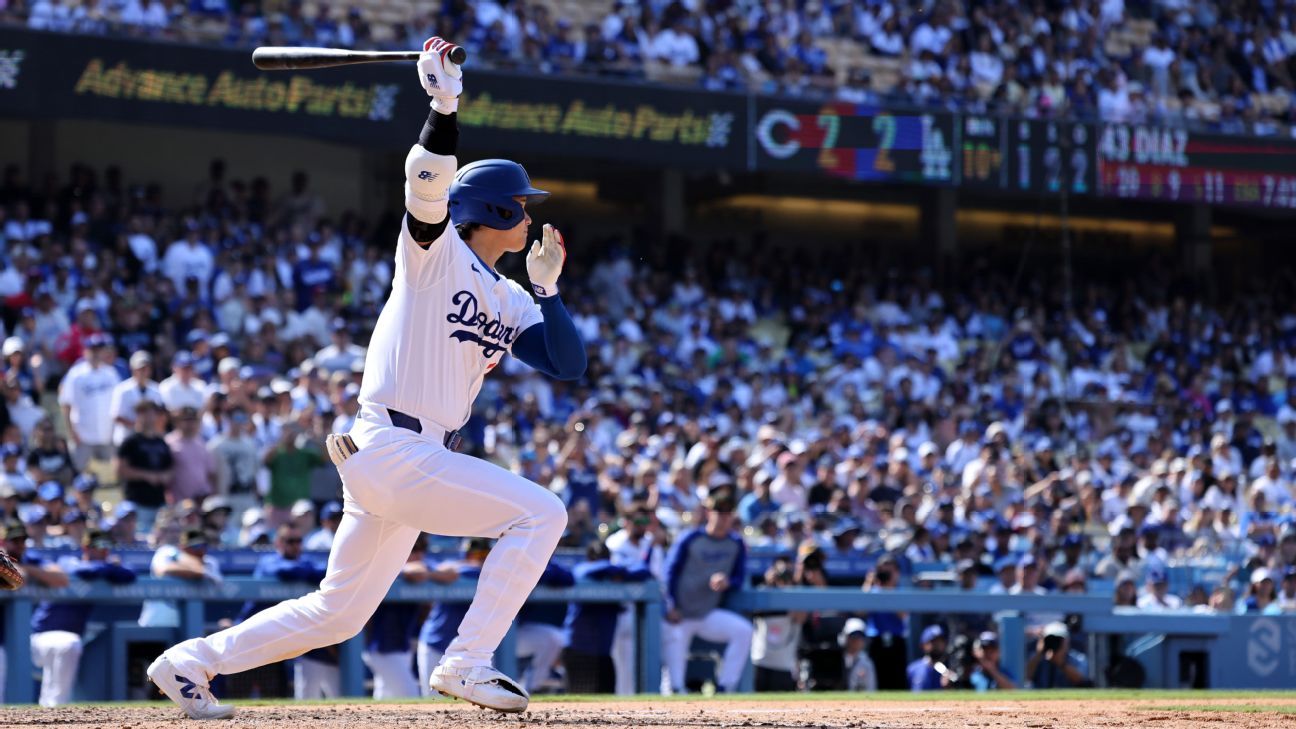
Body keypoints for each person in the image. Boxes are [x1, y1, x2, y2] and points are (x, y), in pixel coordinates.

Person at [148, 36, 585, 718]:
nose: (530, 215)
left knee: (338, 613)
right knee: (542, 511)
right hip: (392, 443)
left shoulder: (513, 296)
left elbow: (568, 364)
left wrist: (552, 291)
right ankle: (467, 660)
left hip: (407, 455)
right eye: (522, 205)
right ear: (497, 212)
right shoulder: (433, 257)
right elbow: (425, 182)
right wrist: (444, 106)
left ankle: (189, 662)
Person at [31, 528, 136, 706]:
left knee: (68, 644)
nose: (105, 551)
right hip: (37, 638)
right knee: (68, 644)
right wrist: (110, 566)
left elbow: (129, 574)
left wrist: (108, 567)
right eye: (100, 546)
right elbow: (84, 571)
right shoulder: (66, 561)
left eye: (108, 546)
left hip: (65, 640)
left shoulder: (103, 568)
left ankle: (51, 711)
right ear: (86, 548)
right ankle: (54, 709)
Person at [662, 489, 753, 695]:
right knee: (674, 672)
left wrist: (727, 581)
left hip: (707, 613)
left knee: (744, 631)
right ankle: (675, 691)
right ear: (708, 513)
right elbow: (669, 573)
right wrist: (671, 605)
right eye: (718, 511)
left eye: (727, 512)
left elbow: (739, 578)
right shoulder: (690, 538)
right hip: (680, 614)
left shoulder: (736, 543)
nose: (723, 517)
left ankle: (725, 687)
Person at [234, 525, 334, 698]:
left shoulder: (305, 562)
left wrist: (306, 571)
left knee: (275, 695)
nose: (295, 545)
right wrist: (308, 573)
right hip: (251, 635)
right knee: (237, 693)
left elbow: (326, 571)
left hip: (274, 639)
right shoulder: (268, 561)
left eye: (298, 541)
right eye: (290, 541)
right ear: (278, 543)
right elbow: (283, 571)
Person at [563, 540, 652, 694]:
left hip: (603, 654)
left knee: (605, 700)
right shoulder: (582, 571)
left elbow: (644, 570)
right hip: (578, 651)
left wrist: (618, 573)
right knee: (577, 701)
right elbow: (584, 571)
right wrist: (616, 570)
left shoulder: (613, 576)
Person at [0, 522, 70, 703]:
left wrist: (29, 570)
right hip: (2, 641)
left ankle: (54, 713)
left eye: (22, 540)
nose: (19, 545)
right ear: (3, 542)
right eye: (14, 541)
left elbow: (62, 579)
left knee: (68, 645)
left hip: (29, 638)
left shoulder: (31, 560)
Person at [362, 535, 436, 699]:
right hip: (382, 648)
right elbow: (413, 571)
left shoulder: (425, 570)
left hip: (402, 647)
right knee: (410, 694)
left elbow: (450, 573)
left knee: (384, 698)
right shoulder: (388, 569)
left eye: (421, 550)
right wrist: (426, 572)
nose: (418, 554)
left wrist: (429, 574)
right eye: (413, 549)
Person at [416, 538, 492, 694]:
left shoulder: (489, 573)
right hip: (435, 642)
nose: (478, 560)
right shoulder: (452, 568)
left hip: (468, 650)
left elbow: (479, 570)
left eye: (483, 555)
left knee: (475, 696)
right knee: (432, 698)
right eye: (475, 555)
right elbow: (429, 568)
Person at [58, 332, 121, 470]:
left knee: (111, 478)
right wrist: (71, 432)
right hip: (82, 436)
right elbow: (66, 404)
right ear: (85, 351)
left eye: (99, 350)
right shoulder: (75, 374)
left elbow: (117, 405)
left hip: (107, 435)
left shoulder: (111, 373)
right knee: (80, 476)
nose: (96, 354)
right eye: (93, 350)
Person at [140, 528, 222, 627]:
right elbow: (162, 570)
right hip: (155, 624)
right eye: (195, 547)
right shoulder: (166, 552)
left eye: (204, 546)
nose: (201, 551)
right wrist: (191, 567)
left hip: (191, 629)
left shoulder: (210, 562)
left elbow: (203, 572)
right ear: (182, 548)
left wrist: (195, 569)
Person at [116, 400, 174, 532]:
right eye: (145, 413)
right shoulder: (130, 442)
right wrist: (146, 476)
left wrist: (164, 476)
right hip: (138, 501)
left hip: (159, 501)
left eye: (152, 413)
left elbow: (170, 468)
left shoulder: (161, 442)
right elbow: (120, 469)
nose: (149, 417)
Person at [751, 564, 803, 691]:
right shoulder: (763, 596)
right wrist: (768, 584)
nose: (782, 582)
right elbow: (753, 610)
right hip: (760, 661)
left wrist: (790, 587)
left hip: (784, 665)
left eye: (785, 578)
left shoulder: (797, 600)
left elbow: (802, 616)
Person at [108, 350, 164, 446]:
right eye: (140, 369)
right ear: (133, 370)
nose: (143, 372)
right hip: (126, 438)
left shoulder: (156, 389)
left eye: (145, 368)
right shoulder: (122, 390)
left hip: (149, 437)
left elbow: (160, 414)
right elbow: (116, 415)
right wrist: (136, 426)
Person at [1025, 621, 1090, 688]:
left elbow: (1082, 681)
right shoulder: (1037, 658)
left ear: (1067, 641)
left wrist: (1061, 664)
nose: (1055, 642)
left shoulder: (1078, 658)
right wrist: (1038, 654)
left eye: (1059, 639)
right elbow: (1025, 678)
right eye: (1050, 639)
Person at [839, 617, 878, 692]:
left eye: (860, 636)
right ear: (845, 637)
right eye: (853, 636)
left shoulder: (867, 663)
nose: (856, 640)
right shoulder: (837, 659)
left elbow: (871, 690)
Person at [907, 624, 949, 691]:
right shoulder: (913, 668)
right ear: (923, 645)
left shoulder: (948, 668)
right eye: (933, 642)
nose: (937, 645)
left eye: (940, 641)